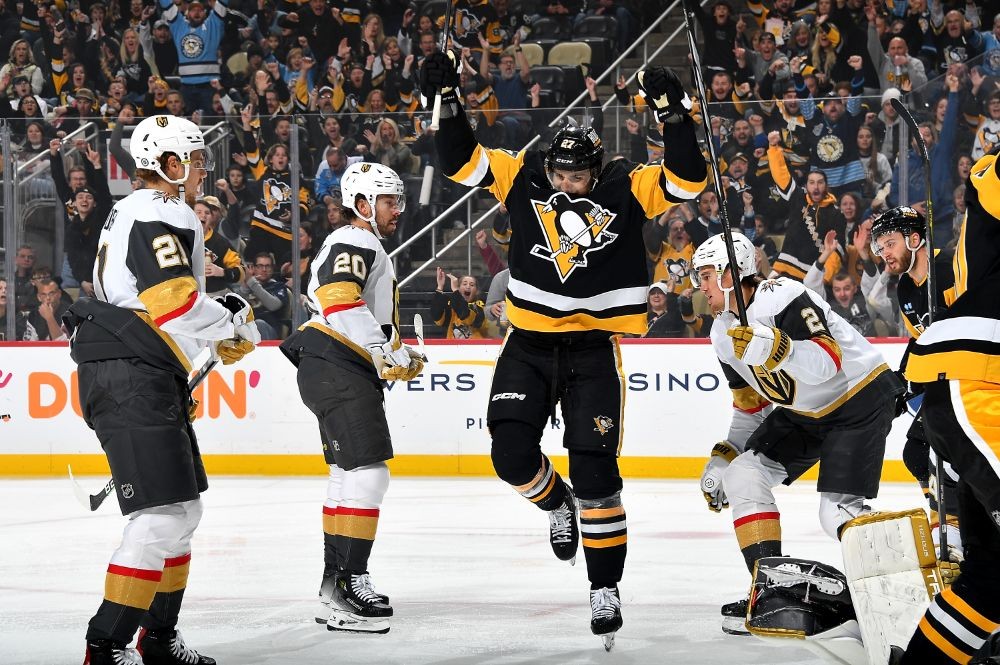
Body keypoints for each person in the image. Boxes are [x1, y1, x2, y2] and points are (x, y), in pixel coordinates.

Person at [422, 52, 707, 647]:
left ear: (595, 170)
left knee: (598, 475)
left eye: (576, 179)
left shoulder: (627, 185)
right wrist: (447, 102)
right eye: (559, 175)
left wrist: (674, 114)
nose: (565, 185)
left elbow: (688, 180)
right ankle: (557, 504)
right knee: (510, 456)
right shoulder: (524, 173)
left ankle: (605, 586)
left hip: (592, 351)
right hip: (527, 344)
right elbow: (460, 162)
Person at [67, 114, 259, 665]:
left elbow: (153, 305)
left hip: (141, 367)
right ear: (170, 164)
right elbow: (173, 303)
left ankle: (157, 639)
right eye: (195, 159)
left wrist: (192, 353)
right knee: (160, 518)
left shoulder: (136, 209)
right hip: (131, 371)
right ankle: (106, 646)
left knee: (182, 512)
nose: (202, 169)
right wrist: (231, 323)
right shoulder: (161, 210)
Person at [691, 232, 901, 635]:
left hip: (858, 395)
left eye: (705, 275)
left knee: (835, 512)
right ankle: (768, 592)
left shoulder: (781, 295)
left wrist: (776, 346)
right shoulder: (721, 335)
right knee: (743, 475)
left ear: (730, 274)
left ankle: (899, 577)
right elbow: (750, 406)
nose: (700, 286)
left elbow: (827, 361)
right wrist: (725, 454)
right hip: (805, 412)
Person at [280, 162, 423, 634]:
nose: (397, 209)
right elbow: (339, 297)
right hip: (338, 363)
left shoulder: (356, 241)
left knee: (347, 476)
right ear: (362, 204)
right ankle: (349, 582)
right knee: (368, 473)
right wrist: (385, 352)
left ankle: (335, 584)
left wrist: (395, 349)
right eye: (388, 201)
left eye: (398, 200)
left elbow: (353, 309)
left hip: (326, 363)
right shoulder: (358, 239)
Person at [869, 205, 962, 582]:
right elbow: (919, 341)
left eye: (890, 243)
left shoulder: (953, 267)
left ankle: (958, 529)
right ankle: (949, 526)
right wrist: (903, 382)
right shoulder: (906, 288)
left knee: (946, 454)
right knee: (917, 452)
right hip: (944, 382)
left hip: (974, 379)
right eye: (880, 247)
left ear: (914, 239)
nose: (885, 253)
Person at [430, 268, 490, 339]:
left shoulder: (479, 307)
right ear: (459, 288)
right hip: (453, 345)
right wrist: (440, 287)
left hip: (475, 345)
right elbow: (437, 319)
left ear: (476, 291)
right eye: (464, 284)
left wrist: (455, 290)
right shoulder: (452, 306)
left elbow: (465, 315)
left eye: (472, 285)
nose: (468, 287)